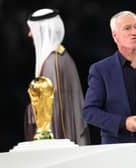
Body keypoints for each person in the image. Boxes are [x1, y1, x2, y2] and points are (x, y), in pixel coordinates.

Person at [83, 10, 136, 167]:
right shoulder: (100, 70)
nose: (134, 32)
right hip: (118, 152)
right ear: (115, 36)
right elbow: (89, 112)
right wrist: (123, 123)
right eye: (127, 28)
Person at [24, 8, 90, 145]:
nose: (30, 34)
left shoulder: (52, 63)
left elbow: (55, 114)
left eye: (33, 30)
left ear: (44, 31)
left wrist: (31, 110)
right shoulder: (60, 56)